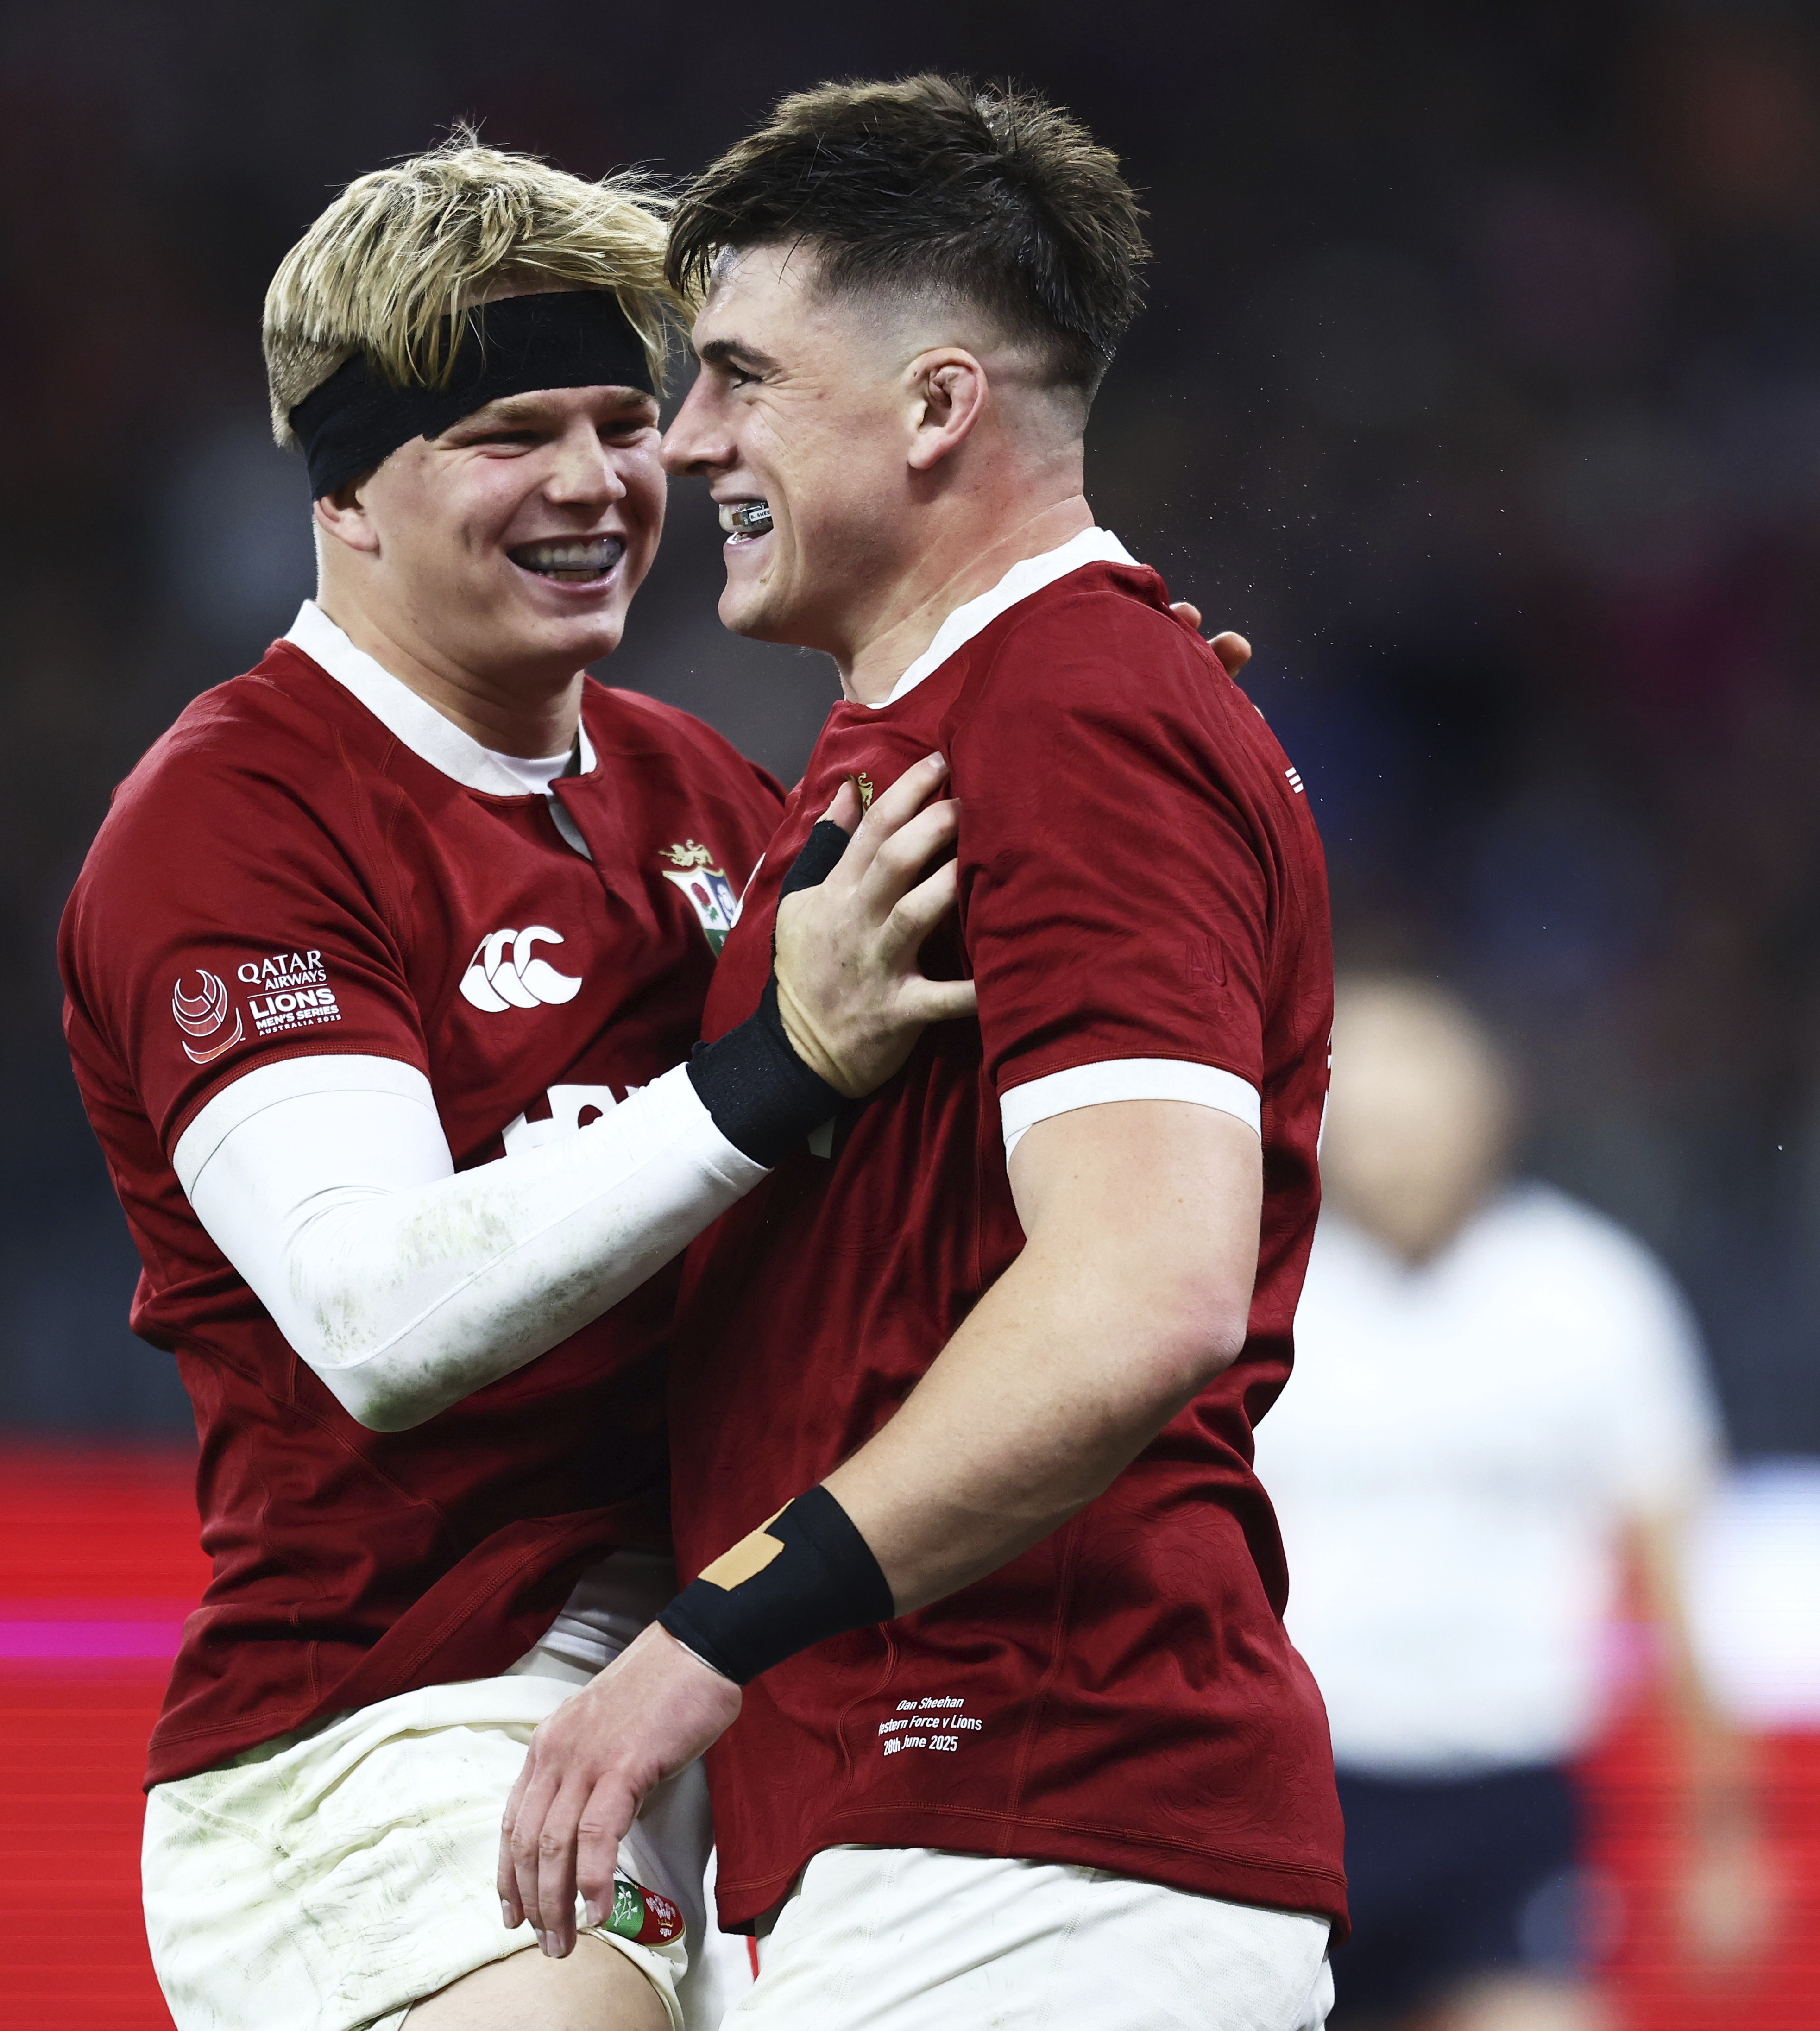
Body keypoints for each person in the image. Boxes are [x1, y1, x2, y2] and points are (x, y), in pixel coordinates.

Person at [57, 137, 974, 2031]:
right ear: (345, 496)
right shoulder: (234, 821)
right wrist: (772, 1069)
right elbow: (375, 1314)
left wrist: (1097, 742)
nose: (592, 481)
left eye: (623, 422)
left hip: (739, 1668)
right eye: (507, 434)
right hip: (405, 1715)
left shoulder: (698, 789)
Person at [499, 76, 1346, 2031]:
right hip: (942, 1832)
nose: (685, 438)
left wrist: (710, 1633)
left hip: (1038, 1829)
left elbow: (1143, 1291)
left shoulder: (1074, 712)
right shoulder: (992, 715)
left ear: (937, 407)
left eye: (741, 376)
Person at [1250, 976, 1779, 2030]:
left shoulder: (1590, 1294)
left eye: (1417, 1122)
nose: (1392, 1156)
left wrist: (1723, 1833)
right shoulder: (1257, 1289)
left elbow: (1681, 1583)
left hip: (1510, 1784)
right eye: (1369, 1125)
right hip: (1300, 1784)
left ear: (1491, 1112)